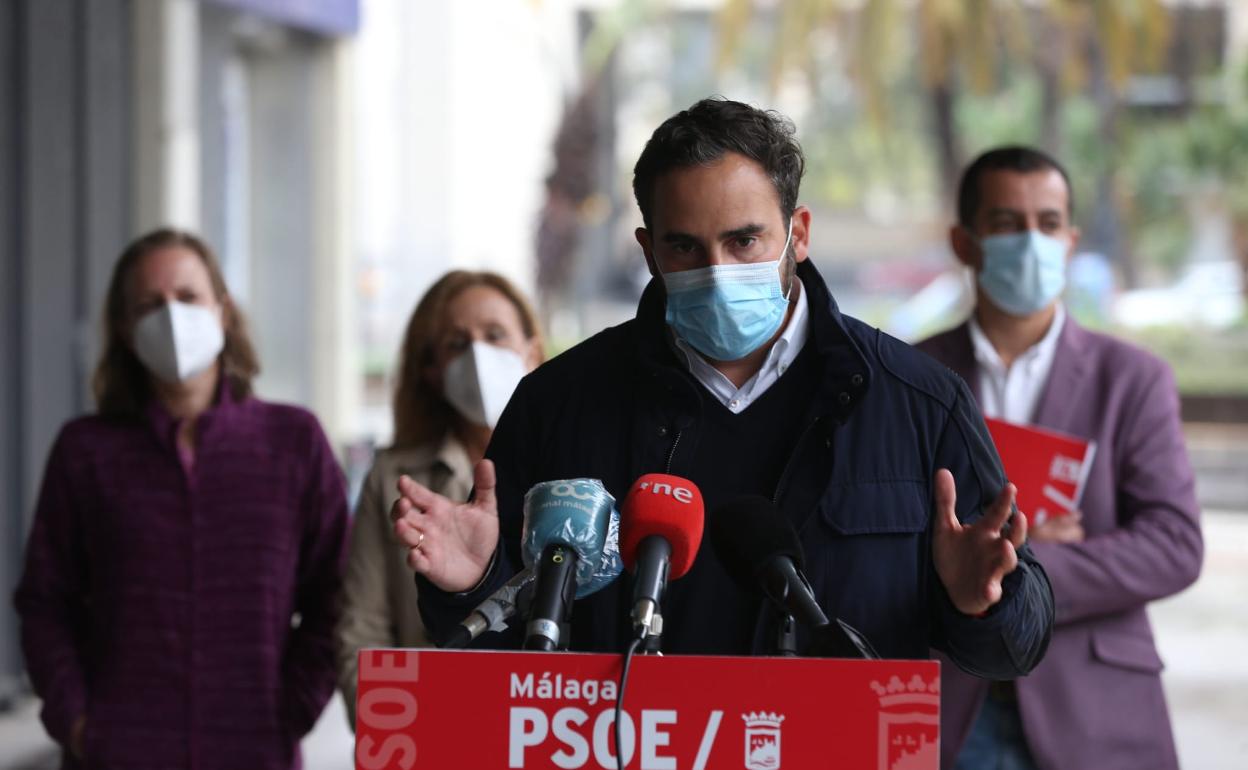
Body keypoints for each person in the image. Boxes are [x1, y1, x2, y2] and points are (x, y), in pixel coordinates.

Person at [393, 99, 1054, 676]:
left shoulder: (916, 404)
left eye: (744, 241)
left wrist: (981, 603)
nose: (717, 271)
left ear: (798, 235)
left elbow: (1016, 648)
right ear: (649, 251)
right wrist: (472, 585)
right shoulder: (558, 405)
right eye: (686, 248)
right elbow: (503, 663)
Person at [14, 229, 349, 770]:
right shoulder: (86, 451)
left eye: (187, 297)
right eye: (149, 304)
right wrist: (77, 721)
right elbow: (46, 602)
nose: (170, 317)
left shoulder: (294, 442)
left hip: (254, 750)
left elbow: (335, 594)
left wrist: (292, 709)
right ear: (124, 329)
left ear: (223, 310)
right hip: (115, 753)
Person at [916, 146, 1203, 770]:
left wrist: (1023, 563)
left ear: (1071, 241)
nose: (1031, 241)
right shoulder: (910, 376)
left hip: (1093, 709)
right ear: (965, 243)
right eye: (1006, 224)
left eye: (1047, 224)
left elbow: (1176, 543)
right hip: (942, 709)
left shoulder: (1132, 380)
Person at [334, 270, 543, 726]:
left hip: (548, 732)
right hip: (428, 732)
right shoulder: (396, 478)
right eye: (457, 344)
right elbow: (362, 631)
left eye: (495, 335)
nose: (479, 355)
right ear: (432, 371)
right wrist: (394, 731)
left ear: (532, 349)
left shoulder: (575, 469)